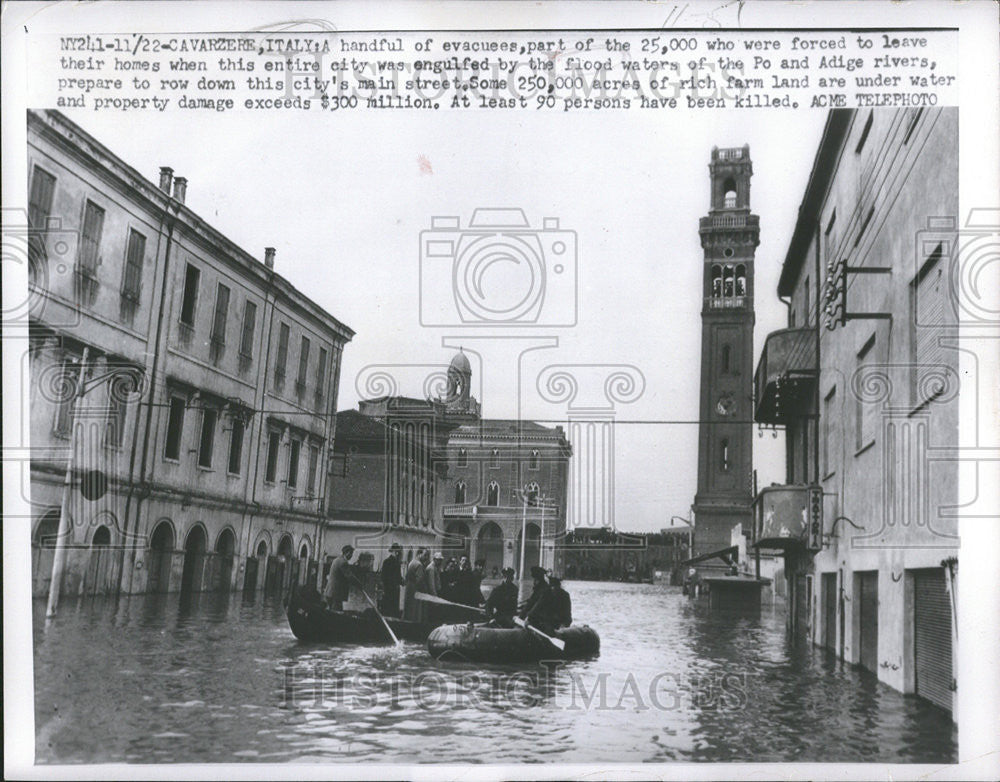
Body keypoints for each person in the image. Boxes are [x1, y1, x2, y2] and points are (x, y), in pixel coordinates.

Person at [519, 565, 558, 635]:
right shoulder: (538, 589)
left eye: (535, 580)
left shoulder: (545, 590)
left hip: (545, 620)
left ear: (538, 579)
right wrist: (520, 616)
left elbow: (538, 605)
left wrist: (529, 617)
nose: (534, 582)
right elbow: (530, 603)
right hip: (538, 618)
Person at [324, 545, 357, 611]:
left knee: (331, 612)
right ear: (347, 553)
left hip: (330, 592)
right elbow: (349, 576)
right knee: (336, 614)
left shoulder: (336, 560)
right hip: (336, 594)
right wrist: (359, 584)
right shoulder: (343, 562)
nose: (351, 556)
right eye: (351, 554)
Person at [403, 547, 427, 621]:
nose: (426, 557)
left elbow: (406, 576)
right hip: (416, 591)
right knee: (416, 613)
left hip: (409, 590)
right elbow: (419, 581)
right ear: (419, 554)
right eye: (425, 555)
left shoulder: (411, 562)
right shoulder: (419, 565)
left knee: (408, 611)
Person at [379, 543, 403, 617]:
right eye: (396, 551)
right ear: (393, 551)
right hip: (392, 589)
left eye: (398, 551)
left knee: (388, 608)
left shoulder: (387, 562)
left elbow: (383, 577)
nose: (397, 553)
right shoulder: (395, 563)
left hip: (389, 589)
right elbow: (398, 577)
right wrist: (403, 582)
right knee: (392, 609)